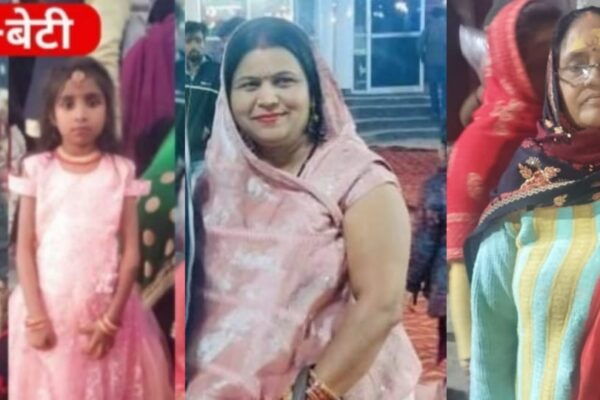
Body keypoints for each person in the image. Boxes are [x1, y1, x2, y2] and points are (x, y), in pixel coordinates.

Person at [187, 17, 421, 399]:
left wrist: (312, 394)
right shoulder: (212, 183)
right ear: (227, 98)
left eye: (283, 81)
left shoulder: (357, 176)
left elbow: (381, 305)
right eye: (249, 85)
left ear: (314, 90)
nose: (267, 98)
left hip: (328, 385)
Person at [7, 58, 173, 400]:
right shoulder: (37, 169)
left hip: (107, 316)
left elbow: (131, 254)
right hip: (47, 313)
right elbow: (24, 248)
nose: (80, 115)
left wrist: (111, 321)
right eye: (68, 104)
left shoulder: (120, 171)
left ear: (108, 109)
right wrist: (36, 317)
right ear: (51, 114)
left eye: (92, 102)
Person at [467, 7, 600, 399]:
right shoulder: (523, 199)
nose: (593, 77)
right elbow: (491, 360)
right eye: (577, 65)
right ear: (553, 79)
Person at [446, 0, 563, 369]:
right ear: (513, 66)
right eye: (540, 62)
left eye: (560, 59)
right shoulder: (482, 147)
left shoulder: (571, 127)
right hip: (512, 330)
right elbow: (459, 258)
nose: (554, 73)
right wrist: (472, 356)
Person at [175, 21, 220, 171]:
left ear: (204, 43)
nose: (194, 46)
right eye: (189, 41)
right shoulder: (175, 72)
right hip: (175, 156)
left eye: (198, 41)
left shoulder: (217, 73)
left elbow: (221, 113)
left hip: (203, 156)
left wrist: (205, 130)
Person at [420, 7, 447, 121]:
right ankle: (444, 112)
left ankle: (435, 111)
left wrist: (423, 57)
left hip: (431, 63)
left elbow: (419, 45)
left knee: (433, 88)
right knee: (445, 88)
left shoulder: (428, 28)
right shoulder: (447, 27)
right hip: (445, 63)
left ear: (433, 16)